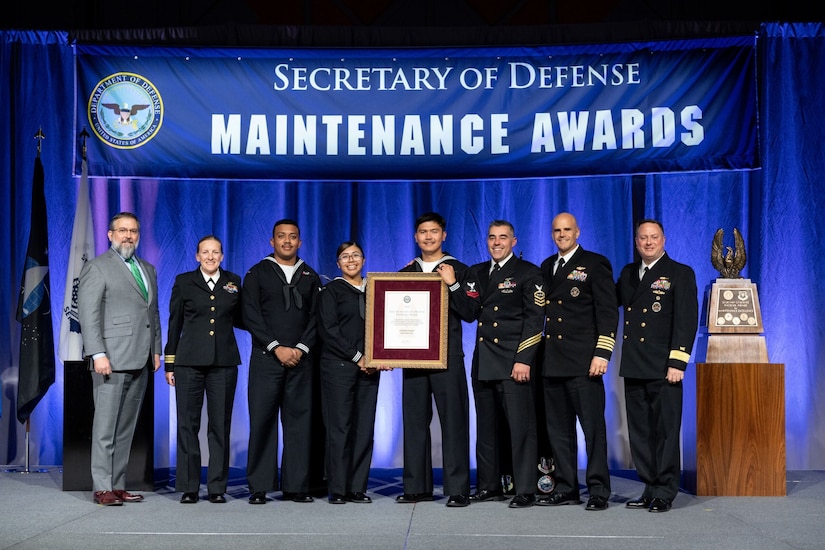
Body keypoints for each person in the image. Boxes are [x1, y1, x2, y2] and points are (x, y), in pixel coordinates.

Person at [394, 213, 478, 508]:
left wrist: (453, 284)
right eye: (422, 232)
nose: (428, 236)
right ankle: (416, 487)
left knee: (454, 422)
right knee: (414, 423)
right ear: (416, 237)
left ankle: (457, 489)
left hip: (448, 356)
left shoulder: (461, 269)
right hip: (413, 358)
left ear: (444, 235)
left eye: (434, 231)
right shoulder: (405, 273)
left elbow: (470, 312)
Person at [77, 212, 161, 506]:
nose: (128, 236)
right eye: (122, 230)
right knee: (105, 428)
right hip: (110, 359)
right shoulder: (97, 268)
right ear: (110, 235)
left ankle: (118, 483)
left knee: (126, 427)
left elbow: (154, 314)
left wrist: (157, 350)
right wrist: (97, 353)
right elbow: (88, 315)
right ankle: (102, 487)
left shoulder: (148, 269)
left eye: (134, 231)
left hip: (141, 359)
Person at [536, 213, 618, 510]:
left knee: (592, 430)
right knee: (559, 431)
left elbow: (608, 312)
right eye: (556, 230)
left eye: (567, 230)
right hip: (553, 362)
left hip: (585, 362)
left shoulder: (595, 264)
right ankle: (568, 487)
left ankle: (598, 490)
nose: (562, 235)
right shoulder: (547, 267)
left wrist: (602, 352)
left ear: (578, 231)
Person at [617, 219, 698, 513]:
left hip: (665, 367)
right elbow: (608, 301)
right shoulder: (628, 273)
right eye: (643, 238)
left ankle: (665, 490)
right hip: (635, 364)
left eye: (654, 237)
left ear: (663, 239)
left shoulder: (680, 273)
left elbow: (686, 321)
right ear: (636, 242)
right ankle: (649, 486)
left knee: (665, 431)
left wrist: (678, 361)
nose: (648, 243)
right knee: (640, 432)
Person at [242, 219, 322, 504]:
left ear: (300, 242)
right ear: (272, 241)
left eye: (292, 237)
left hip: (302, 360)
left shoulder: (311, 276)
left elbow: (317, 318)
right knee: (262, 421)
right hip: (266, 359)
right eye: (281, 236)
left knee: (299, 423)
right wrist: (276, 347)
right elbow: (250, 314)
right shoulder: (256, 273)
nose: (287, 241)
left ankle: (296, 486)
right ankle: (259, 487)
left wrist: (300, 348)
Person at [468, 220, 545, 509]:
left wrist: (524, 359)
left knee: (521, 427)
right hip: (484, 361)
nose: (496, 242)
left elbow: (536, 319)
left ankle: (525, 488)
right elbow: (468, 311)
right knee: (486, 428)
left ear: (514, 241)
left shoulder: (528, 273)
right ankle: (489, 485)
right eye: (491, 238)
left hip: (514, 362)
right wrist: (451, 283)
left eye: (503, 238)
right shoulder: (476, 272)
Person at [164, 235, 244, 504]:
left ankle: (217, 487)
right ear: (197, 256)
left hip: (223, 363)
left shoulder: (234, 281)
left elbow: (242, 317)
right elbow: (174, 323)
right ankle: (188, 486)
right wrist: (170, 362)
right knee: (188, 425)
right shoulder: (184, 281)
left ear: (222, 256)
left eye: (216, 252)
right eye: (205, 252)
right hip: (188, 363)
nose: (210, 257)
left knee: (220, 426)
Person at [317, 241, 380, 504]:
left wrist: (381, 356)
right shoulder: (331, 291)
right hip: (338, 367)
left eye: (356, 255)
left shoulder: (377, 289)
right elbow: (328, 331)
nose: (351, 260)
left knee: (364, 429)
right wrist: (358, 357)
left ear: (364, 260)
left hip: (370, 369)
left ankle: (357, 487)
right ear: (338, 263)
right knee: (339, 427)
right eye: (345, 256)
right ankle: (339, 489)